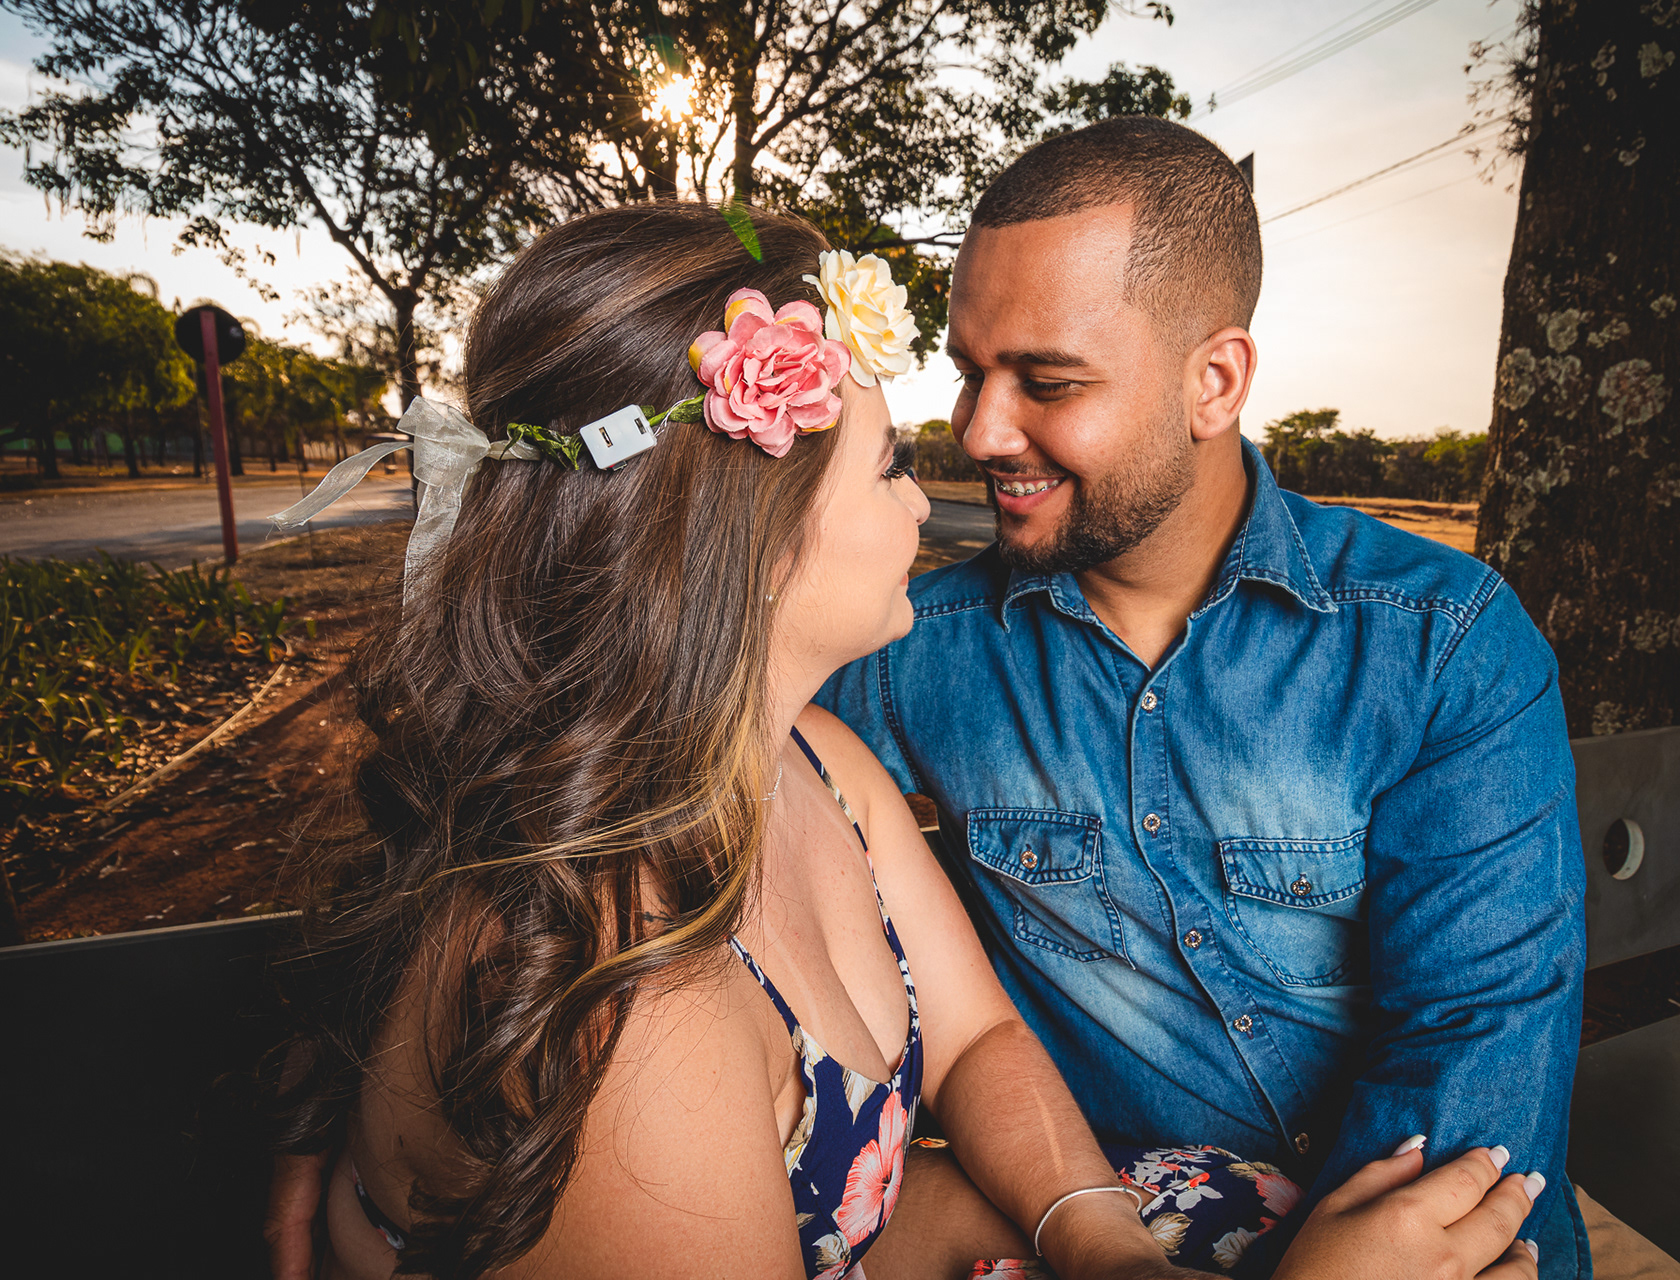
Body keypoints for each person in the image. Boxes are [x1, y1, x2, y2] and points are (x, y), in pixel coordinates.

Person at [264, 201, 1543, 1279]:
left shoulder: (822, 750)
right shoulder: (641, 1008)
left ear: (1215, 381)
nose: (966, 453)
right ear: (751, 539)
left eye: (1047, 380)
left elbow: (984, 1037)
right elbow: (511, 827)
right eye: (896, 459)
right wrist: (362, 1070)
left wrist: (1107, 1246)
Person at [812, 116, 1594, 1280]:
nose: (979, 429)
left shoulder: (1438, 643)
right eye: (971, 370)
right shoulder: (908, 648)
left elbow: (1477, 1064)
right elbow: (727, 775)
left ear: (1214, 381)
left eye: (1047, 381)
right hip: (1110, 1233)